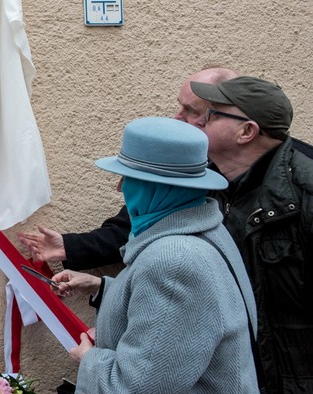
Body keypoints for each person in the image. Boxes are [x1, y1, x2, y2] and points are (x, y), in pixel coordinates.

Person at [54, 117, 267, 394]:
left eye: (129, 178)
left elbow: (137, 392)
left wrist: (90, 362)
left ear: (156, 186)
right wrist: (101, 287)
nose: (120, 188)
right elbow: (190, 320)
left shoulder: (175, 259)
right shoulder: (204, 231)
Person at [17, 66, 238, 268]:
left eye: (192, 110)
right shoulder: (188, 166)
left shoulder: (174, 259)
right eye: (180, 105)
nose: (177, 117)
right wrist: (70, 247)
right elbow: (134, 227)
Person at [191, 76, 312, 394]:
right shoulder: (208, 185)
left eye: (211, 114)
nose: (198, 121)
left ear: (246, 131)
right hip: (242, 389)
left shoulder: (305, 193)